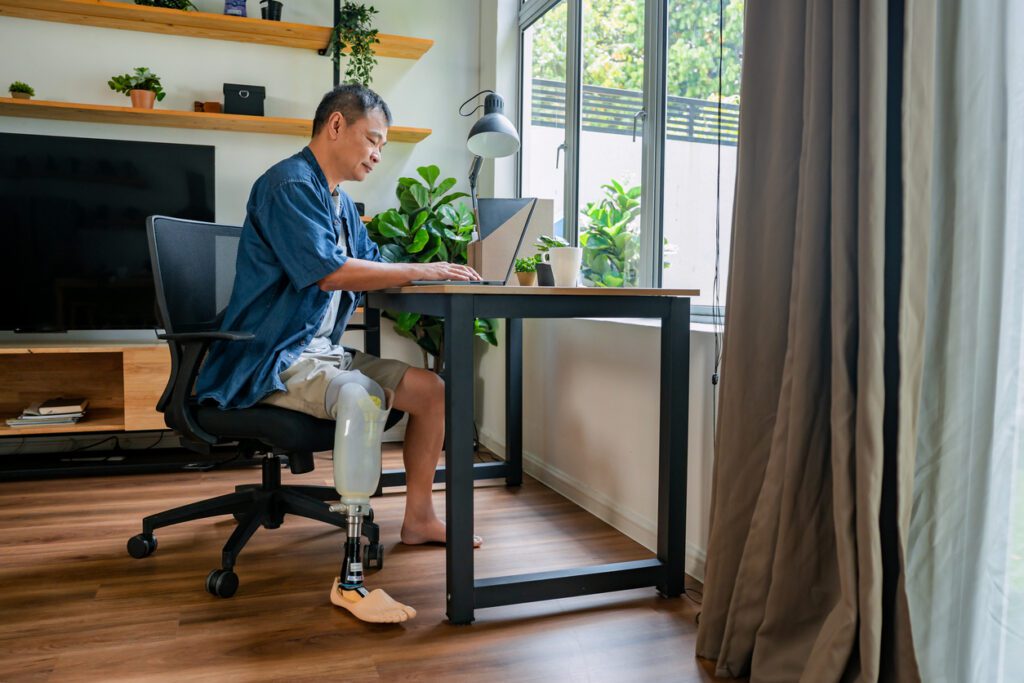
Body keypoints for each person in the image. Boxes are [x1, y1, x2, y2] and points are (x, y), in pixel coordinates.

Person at [194, 84, 482, 623]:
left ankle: (418, 518)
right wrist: (424, 270)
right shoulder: (287, 185)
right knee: (364, 396)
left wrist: (444, 271)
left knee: (431, 390)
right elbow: (330, 272)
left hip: (322, 351)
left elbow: (371, 264)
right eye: (372, 139)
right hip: (275, 356)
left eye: (383, 145)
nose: (377, 153)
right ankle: (350, 580)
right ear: (334, 127)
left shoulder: (340, 204)